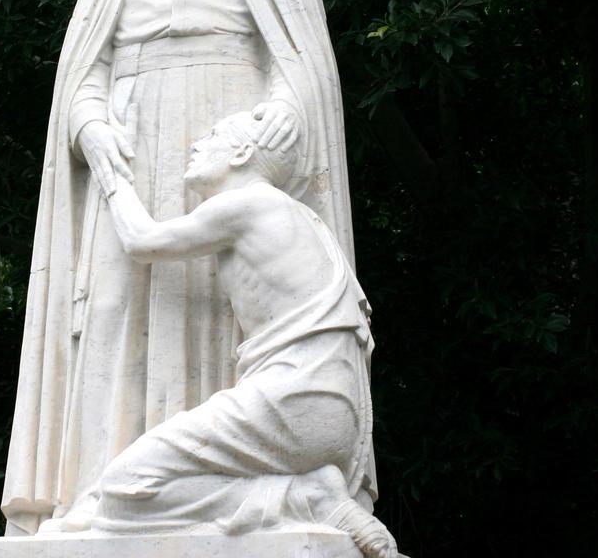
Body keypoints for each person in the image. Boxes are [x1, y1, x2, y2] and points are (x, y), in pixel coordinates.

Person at [1, 0, 364, 535]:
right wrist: (92, 128)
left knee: (220, 308)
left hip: (224, 134)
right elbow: (83, 73)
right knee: (112, 309)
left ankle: (243, 500)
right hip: (130, 148)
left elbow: (304, 64)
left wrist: (282, 112)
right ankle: (98, 498)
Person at [92, 111, 398, 558]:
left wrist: (111, 173)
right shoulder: (308, 221)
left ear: (241, 153)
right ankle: (309, 493)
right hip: (337, 416)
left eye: (212, 135)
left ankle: (305, 499)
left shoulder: (247, 203)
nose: (196, 145)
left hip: (292, 400)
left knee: (124, 490)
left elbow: (142, 241)